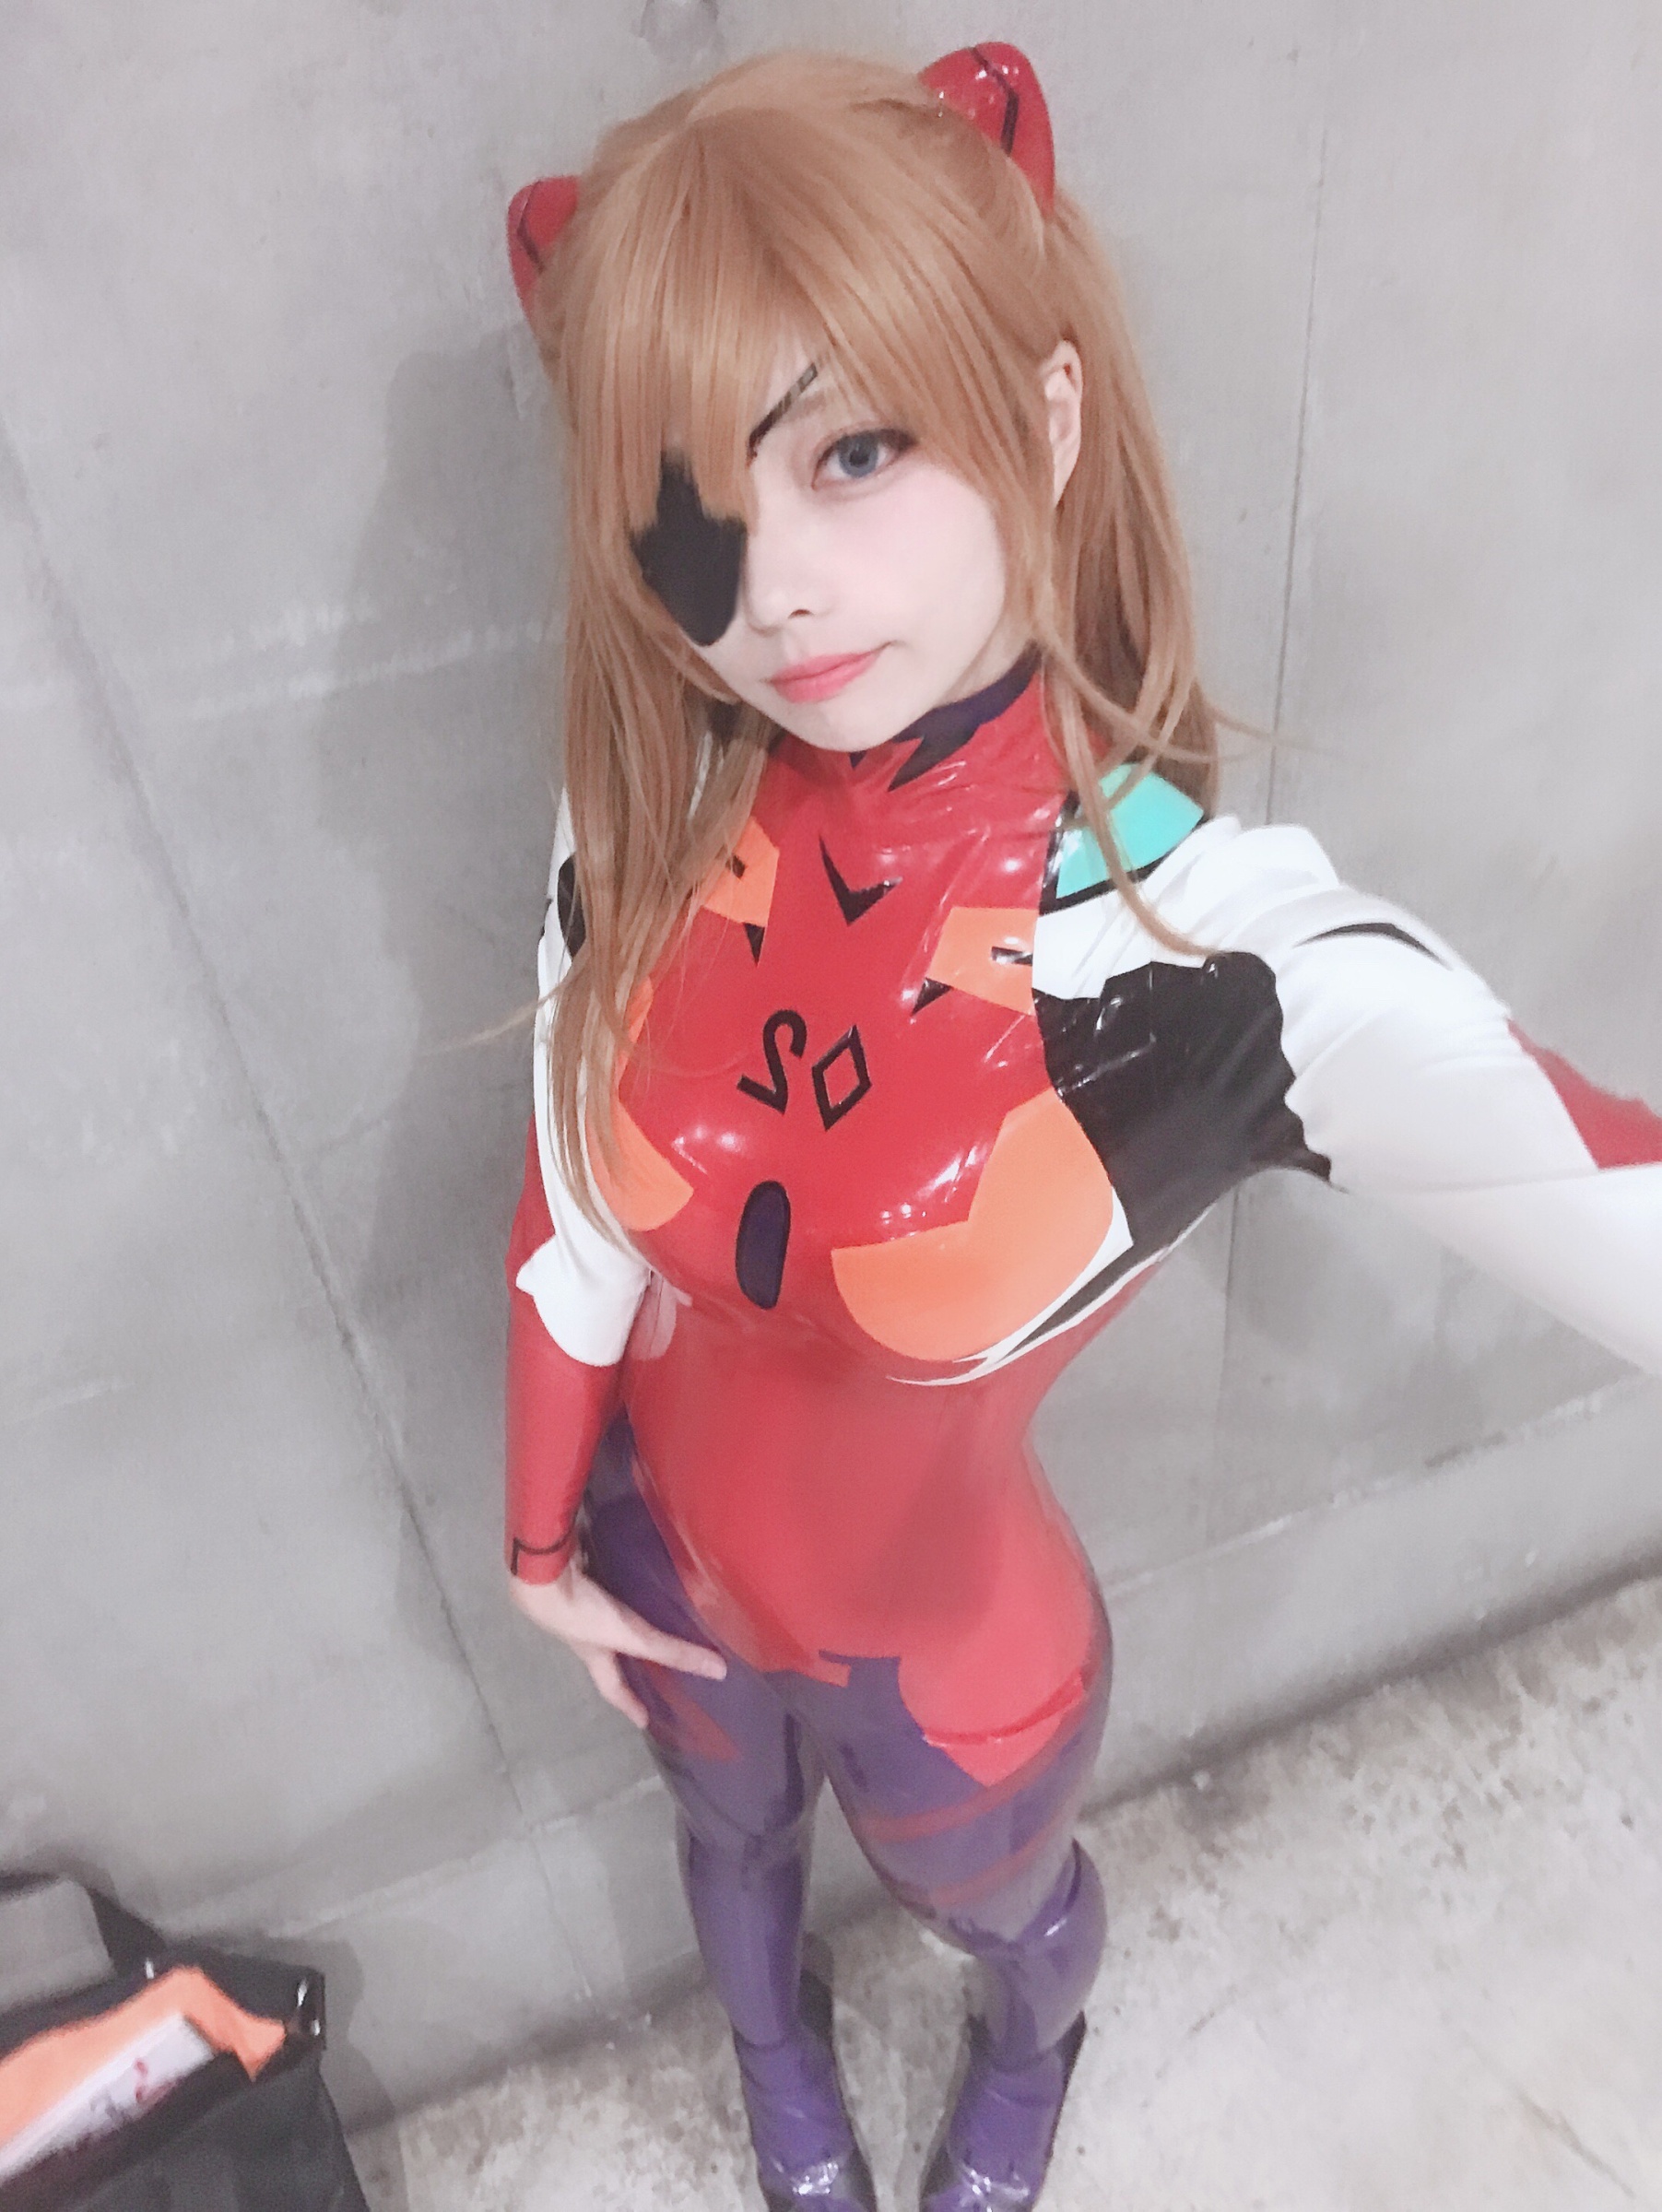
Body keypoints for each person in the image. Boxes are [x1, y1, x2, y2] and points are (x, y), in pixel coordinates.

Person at [496, 44, 1662, 2212]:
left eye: (853, 451)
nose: (771, 589)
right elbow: (566, 1212)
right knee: (720, 1857)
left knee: (1007, 1929)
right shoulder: (633, 821)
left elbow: (1616, 1202)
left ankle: (1031, 2067)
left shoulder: (1201, 961)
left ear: (1039, 420)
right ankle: (776, 2074)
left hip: (951, 1670)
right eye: (687, 511)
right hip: (661, 1576)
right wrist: (535, 1541)